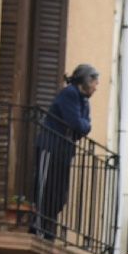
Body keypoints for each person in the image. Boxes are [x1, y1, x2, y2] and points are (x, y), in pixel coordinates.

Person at [34, 64, 100, 239]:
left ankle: (47, 229)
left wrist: (82, 125)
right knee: (45, 188)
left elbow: (85, 127)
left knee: (58, 194)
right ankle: (38, 228)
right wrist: (82, 125)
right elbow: (77, 124)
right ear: (85, 80)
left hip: (63, 151)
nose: (96, 86)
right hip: (51, 147)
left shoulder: (83, 100)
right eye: (94, 82)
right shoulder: (69, 93)